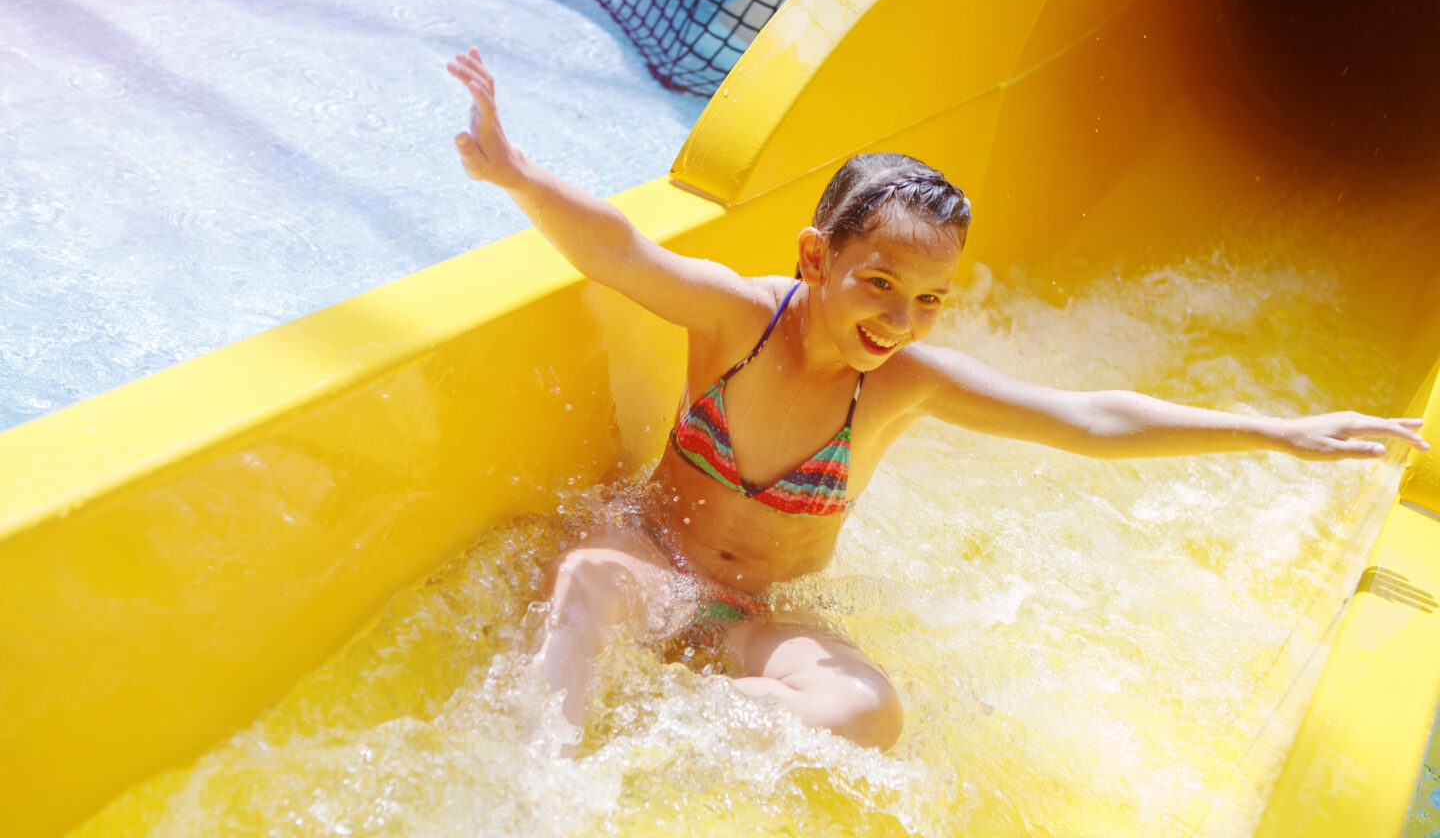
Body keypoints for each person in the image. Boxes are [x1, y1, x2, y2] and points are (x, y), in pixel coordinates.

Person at [446, 48, 1428, 752]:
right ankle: (536, 791)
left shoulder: (902, 384)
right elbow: (621, 251)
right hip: (649, 559)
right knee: (584, 585)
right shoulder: (735, 319)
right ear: (815, 256)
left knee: (868, 712)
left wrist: (1278, 431)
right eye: (878, 283)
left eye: (927, 301)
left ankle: (661, 744)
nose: (899, 318)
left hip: (741, 614)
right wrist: (511, 171)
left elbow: (1086, 417)